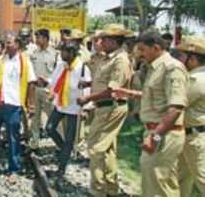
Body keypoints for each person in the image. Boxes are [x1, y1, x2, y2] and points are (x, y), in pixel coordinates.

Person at [114, 30, 189, 197]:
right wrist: (130, 93)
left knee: (161, 185)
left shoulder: (172, 68)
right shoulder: (154, 67)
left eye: (142, 49)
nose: (139, 54)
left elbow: (176, 107)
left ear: (156, 47)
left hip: (164, 134)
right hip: (156, 132)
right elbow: (158, 97)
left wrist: (155, 136)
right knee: (151, 182)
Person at [77, 24, 132, 197]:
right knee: (107, 150)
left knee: (95, 148)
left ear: (114, 41)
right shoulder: (107, 58)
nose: (101, 42)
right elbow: (101, 80)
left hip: (111, 107)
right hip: (105, 107)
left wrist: (88, 98)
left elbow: (112, 90)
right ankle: (111, 189)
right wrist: (88, 85)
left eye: (105, 39)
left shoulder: (120, 60)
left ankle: (97, 190)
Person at [0, 33, 36, 175]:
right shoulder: (2, 59)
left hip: (14, 103)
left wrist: (30, 104)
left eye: (9, 42)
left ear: (17, 44)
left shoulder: (25, 61)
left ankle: (14, 168)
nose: (7, 45)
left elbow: (31, 83)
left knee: (13, 137)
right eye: (6, 42)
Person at [38, 41, 91, 182]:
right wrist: (46, 82)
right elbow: (54, 80)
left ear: (73, 53)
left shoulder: (82, 68)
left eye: (65, 52)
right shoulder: (61, 65)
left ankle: (61, 168)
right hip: (61, 104)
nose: (61, 54)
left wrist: (86, 108)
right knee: (49, 129)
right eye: (61, 51)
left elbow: (87, 89)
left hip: (74, 107)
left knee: (69, 139)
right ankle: (64, 151)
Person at [175, 36, 205, 196]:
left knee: (202, 179)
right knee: (181, 179)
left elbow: (176, 102)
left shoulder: (196, 79)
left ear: (192, 59)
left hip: (195, 138)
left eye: (181, 56)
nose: (179, 60)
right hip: (189, 136)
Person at [29, 28, 59, 150]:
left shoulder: (55, 54)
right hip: (35, 89)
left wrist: (50, 83)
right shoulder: (34, 54)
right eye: (36, 37)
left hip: (48, 90)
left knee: (53, 116)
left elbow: (58, 73)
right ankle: (35, 141)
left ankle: (58, 142)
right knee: (35, 117)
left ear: (46, 39)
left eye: (39, 37)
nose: (36, 40)